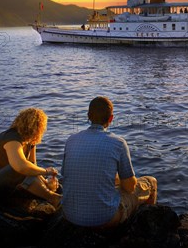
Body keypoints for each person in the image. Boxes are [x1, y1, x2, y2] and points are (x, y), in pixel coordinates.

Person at [61, 97, 157, 228]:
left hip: (70, 215)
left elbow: (65, 176)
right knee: (151, 182)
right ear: (111, 118)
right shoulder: (118, 143)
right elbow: (130, 187)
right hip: (104, 218)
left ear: (88, 116)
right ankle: (147, 229)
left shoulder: (71, 140)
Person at [0, 107, 61, 206]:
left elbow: (33, 169)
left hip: (7, 186)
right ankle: (52, 198)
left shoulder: (30, 141)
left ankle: (52, 195)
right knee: (19, 167)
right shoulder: (12, 138)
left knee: (55, 184)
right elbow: (20, 167)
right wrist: (46, 171)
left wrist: (46, 183)